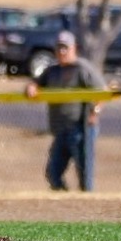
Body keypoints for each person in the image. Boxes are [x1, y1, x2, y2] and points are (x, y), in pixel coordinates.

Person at [23, 30, 107, 191]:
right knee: (53, 173)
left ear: (74, 48)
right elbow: (35, 83)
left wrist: (94, 112)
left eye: (65, 48)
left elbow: (102, 91)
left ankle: (87, 205)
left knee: (84, 174)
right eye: (59, 48)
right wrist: (31, 87)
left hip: (80, 128)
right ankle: (65, 201)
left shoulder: (82, 68)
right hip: (60, 130)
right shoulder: (52, 71)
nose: (62, 52)